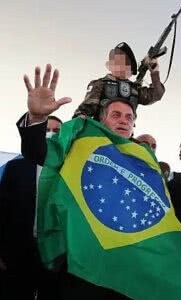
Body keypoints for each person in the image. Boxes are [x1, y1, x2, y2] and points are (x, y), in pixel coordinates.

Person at [17, 64, 139, 299]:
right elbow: (38, 153)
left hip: (124, 272)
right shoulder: (78, 145)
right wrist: (37, 117)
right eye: (116, 115)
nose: (123, 121)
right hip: (79, 268)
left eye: (129, 117)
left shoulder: (142, 160)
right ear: (102, 121)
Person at [0, 116, 63, 299]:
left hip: (55, 254)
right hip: (17, 251)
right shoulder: (15, 167)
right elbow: (2, 209)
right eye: (47, 129)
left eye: (57, 131)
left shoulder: (68, 170)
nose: (51, 134)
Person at [73, 42, 165, 119]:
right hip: (102, 133)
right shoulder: (100, 84)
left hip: (124, 137)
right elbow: (83, 113)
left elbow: (156, 95)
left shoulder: (135, 89)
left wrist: (154, 72)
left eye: (125, 63)